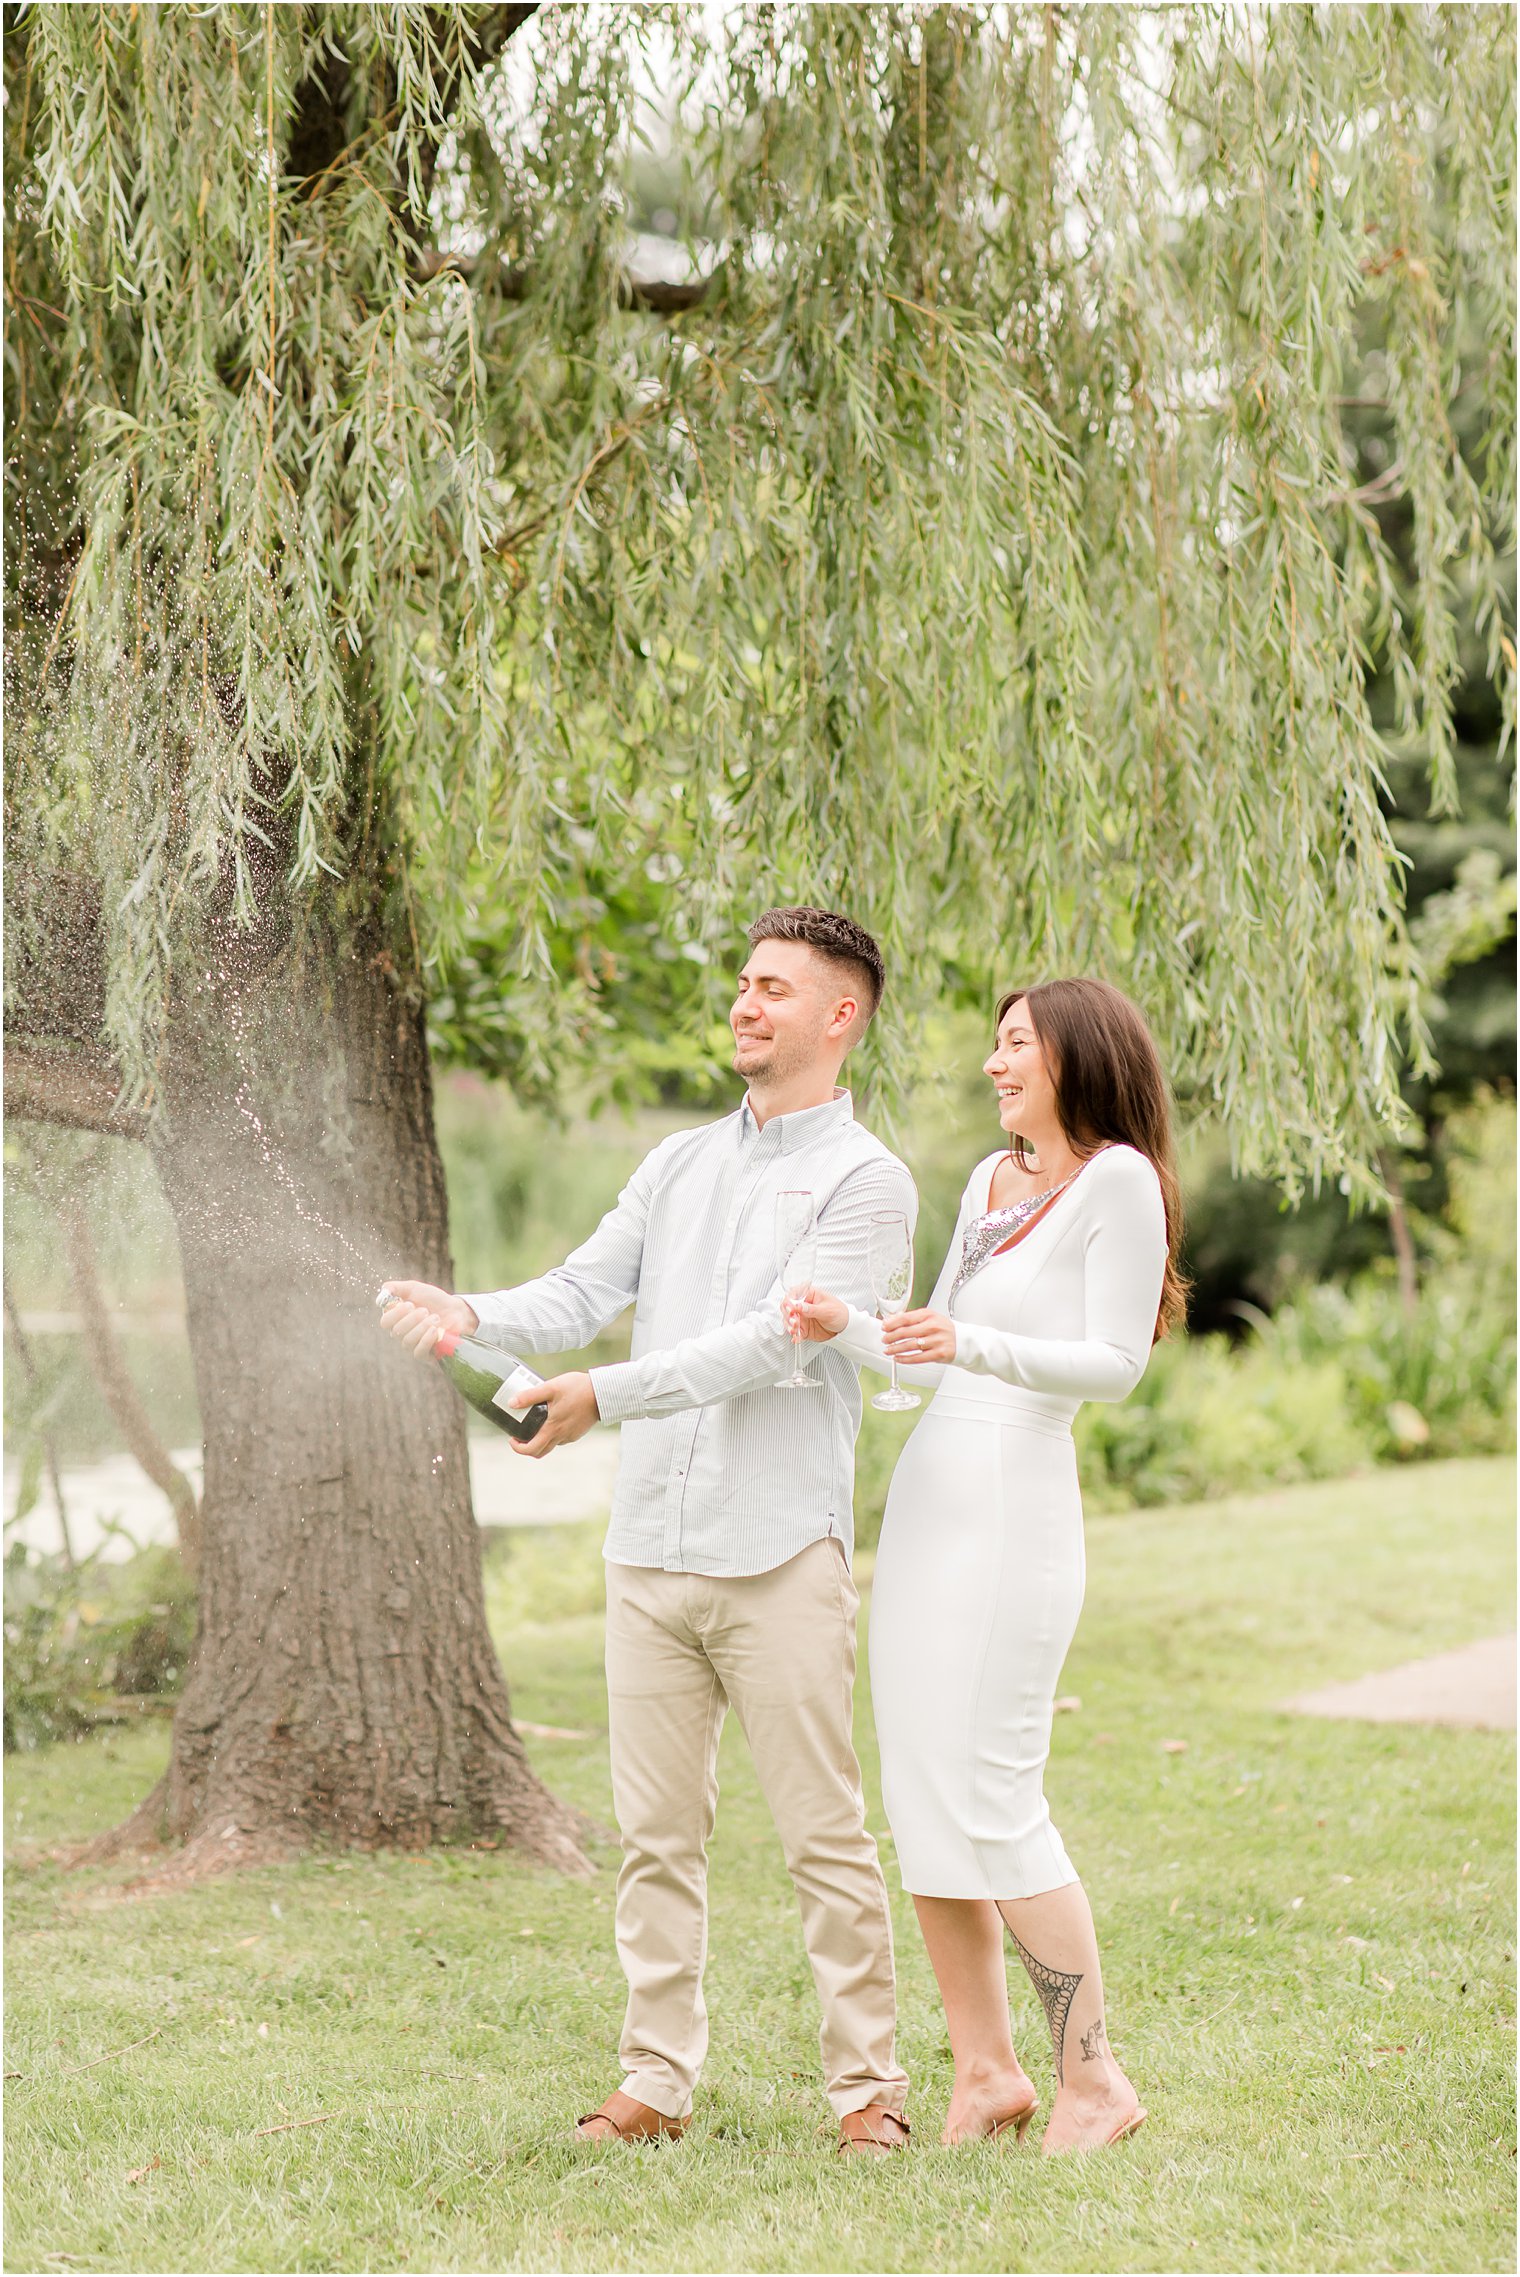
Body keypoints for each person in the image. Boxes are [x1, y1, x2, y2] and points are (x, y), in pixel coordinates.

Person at [380, 908, 917, 2155]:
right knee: (654, 1841)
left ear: (839, 1017)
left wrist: (598, 1399)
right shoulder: (675, 1163)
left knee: (821, 1836)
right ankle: (655, 2082)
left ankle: (865, 2094)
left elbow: (772, 1342)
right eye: (741, 981)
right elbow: (576, 1291)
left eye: (773, 988)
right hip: (647, 1556)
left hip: (779, 1553)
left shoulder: (865, 1182)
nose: (744, 1003)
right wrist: (463, 1308)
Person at [786, 977, 1185, 2155]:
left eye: (1014, 1044)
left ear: (1074, 1053)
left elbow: (1113, 1362)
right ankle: (986, 2074)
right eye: (993, 1043)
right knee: (919, 1793)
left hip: (1015, 1504)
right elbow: (924, 1356)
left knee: (997, 1793)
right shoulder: (985, 1181)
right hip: (929, 1497)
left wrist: (972, 1340)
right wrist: (843, 1327)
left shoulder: (1115, 1180)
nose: (992, 1062)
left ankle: (1094, 2079)